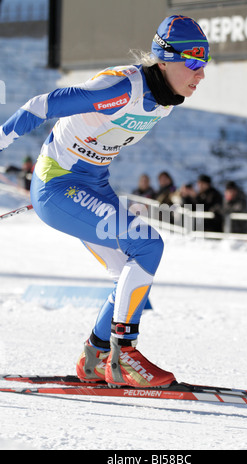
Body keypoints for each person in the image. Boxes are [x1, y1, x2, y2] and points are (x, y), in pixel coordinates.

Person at [0, 15, 211, 388]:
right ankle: (123, 353)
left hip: (91, 187)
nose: (200, 74)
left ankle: (95, 357)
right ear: (164, 59)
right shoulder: (121, 88)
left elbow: (99, 137)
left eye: (204, 64)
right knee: (147, 245)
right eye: (192, 63)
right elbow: (38, 106)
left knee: (130, 274)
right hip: (59, 188)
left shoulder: (167, 98)